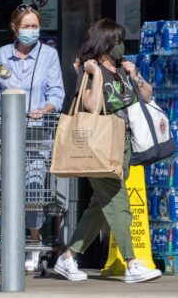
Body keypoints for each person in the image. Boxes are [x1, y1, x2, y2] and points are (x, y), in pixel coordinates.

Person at [54, 18, 162, 283]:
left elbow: (146, 95)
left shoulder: (122, 69)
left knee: (99, 208)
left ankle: (68, 257)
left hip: (123, 146)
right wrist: (97, 74)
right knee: (117, 202)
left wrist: (135, 75)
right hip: (100, 145)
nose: (120, 45)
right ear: (104, 43)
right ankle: (132, 263)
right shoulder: (89, 70)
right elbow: (91, 106)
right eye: (116, 40)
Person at [0, 3, 65, 271]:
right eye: (26, 26)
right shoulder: (2, 54)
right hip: (6, 132)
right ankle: (7, 241)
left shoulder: (49, 55)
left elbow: (57, 93)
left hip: (36, 131)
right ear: (14, 28)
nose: (31, 31)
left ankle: (33, 238)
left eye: (35, 26)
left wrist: (43, 109)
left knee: (34, 186)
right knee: (4, 189)